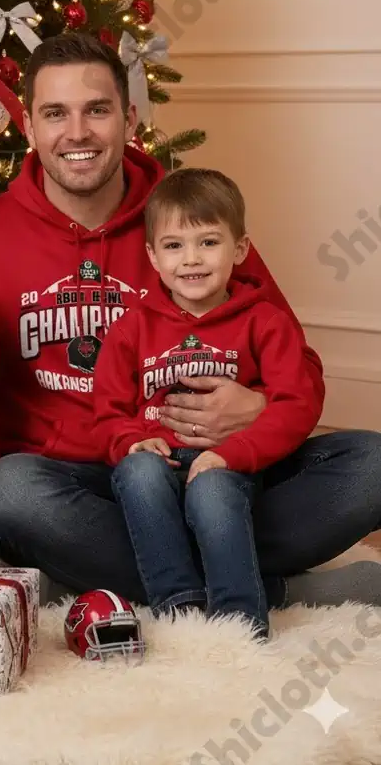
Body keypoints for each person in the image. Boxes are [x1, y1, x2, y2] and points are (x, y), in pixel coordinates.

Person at [0, 33, 381, 609]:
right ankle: (264, 589)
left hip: (221, 469)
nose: (77, 132)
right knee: (10, 490)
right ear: (28, 126)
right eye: (55, 114)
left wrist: (258, 407)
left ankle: (143, 579)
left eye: (96, 110)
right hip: (84, 486)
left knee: (371, 463)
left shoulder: (190, 222)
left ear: (128, 119)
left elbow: (298, 368)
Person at [100, 168, 322, 639]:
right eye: (174, 245)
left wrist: (233, 454)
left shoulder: (265, 321)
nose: (191, 259)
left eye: (208, 242)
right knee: (138, 473)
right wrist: (131, 442)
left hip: (229, 463)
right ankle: (179, 606)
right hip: (157, 465)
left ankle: (239, 622)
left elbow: (296, 403)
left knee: (213, 490)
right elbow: (108, 411)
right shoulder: (131, 327)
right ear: (152, 256)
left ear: (240, 249)